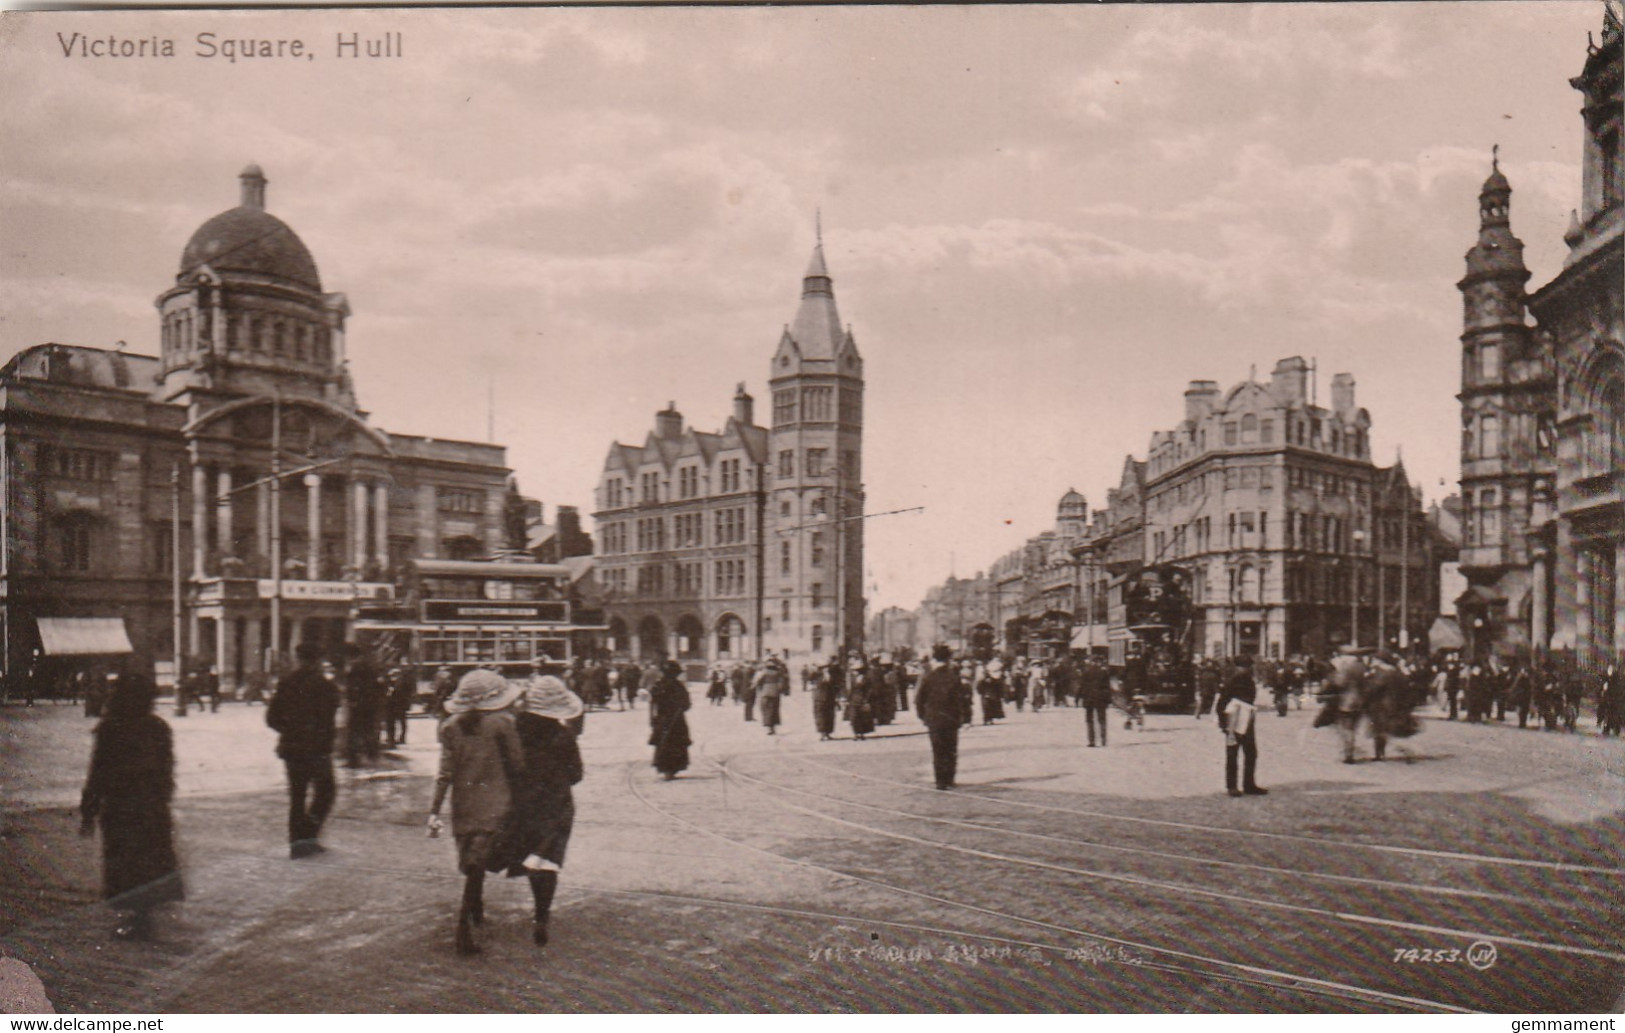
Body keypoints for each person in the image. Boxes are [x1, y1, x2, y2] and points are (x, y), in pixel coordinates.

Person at [427, 670, 525, 956]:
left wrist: (434, 810)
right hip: (496, 803)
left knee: (472, 860)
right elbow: (518, 764)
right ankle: (463, 929)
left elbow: (444, 774)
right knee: (480, 860)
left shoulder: (450, 727)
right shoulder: (504, 723)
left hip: (463, 805)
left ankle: (475, 908)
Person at [79, 672, 183, 941]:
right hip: (150, 806)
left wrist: (89, 809)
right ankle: (143, 916)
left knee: (125, 862)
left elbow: (98, 771)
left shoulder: (111, 727)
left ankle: (139, 919)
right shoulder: (158, 727)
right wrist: (161, 799)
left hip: (120, 806)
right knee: (148, 860)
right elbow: (167, 770)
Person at [501, 674, 584, 948]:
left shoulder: (515, 730)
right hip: (555, 805)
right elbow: (576, 775)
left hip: (523, 803)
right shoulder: (563, 735)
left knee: (525, 850)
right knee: (547, 861)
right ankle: (541, 915)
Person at [266, 643, 340, 859]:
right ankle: (308, 835)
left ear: (298, 658)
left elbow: (271, 718)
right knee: (326, 792)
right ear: (317, 659)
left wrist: (290, 731)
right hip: (317, 750)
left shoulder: (286, 683)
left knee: (297, 797)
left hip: (292, 749)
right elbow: (330, 718)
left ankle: (297, 844)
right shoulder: (325, 685)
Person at [915, 645, 968, 789]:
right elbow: (962, 700)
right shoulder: (954, 677)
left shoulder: (928, 677)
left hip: (934, 719)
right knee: (951, 750)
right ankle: (949, 780)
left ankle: (940, 781)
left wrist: (923, 716)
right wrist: (964, 718)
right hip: (951, 719)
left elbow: (919, 699)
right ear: (948, 659)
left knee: (937, 750)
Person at [1216, 654, 1266, 797]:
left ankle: (1249, 784)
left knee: (1251, 753)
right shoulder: (1232, 681)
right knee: (1233, 753)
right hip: (1234, 720)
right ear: (1238, 667)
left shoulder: (1248, 680)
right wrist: (1225, 724)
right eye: (1245, 667)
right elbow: (1222, 703)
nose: (1247, 669)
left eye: (1248, 667)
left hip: (1247, 719)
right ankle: (1232, 786)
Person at [648, 660, 692, 780]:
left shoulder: (658, 685)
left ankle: (663, 767)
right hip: (677, 720)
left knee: (662, 742)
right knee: (676, 743)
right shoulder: (679, 686)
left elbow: (653, 703)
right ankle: (672, 769)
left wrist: (652, 719)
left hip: (662, 719)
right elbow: (687, 704)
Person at [1081, 659, 1111, 747]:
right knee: (1102, 719)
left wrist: (1079, 698)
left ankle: (1091, 741)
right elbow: (1107, 687)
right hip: (1100, 698)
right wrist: (1108, 699)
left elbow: (1083, 686)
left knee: (1089, 719)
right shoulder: (1104, 673)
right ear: (1099, 663)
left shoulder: (1086, 672)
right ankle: (1103, 740)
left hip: (1089, 698)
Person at [384, 667, 414, 748]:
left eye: (394, 675)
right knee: (391, 723)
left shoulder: (403, 683)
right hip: (391, 706)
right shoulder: (389, 683)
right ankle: (391, 739)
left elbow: (406, 695)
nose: (392, 677)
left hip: (400, 706)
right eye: (391, 675)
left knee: (402, 722)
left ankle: (402, 738)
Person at [756, 658, 788, 735]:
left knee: (766, 710)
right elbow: (782, 683)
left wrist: (761, 689)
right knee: (774, 710)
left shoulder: (764, 672)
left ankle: (769, 728)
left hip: (765, 693)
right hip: (775, 693)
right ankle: (773, 727)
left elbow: (759, 682)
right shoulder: (778, 673)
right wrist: (778, 690)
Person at [812, 659, 840, 741]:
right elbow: (810, 677)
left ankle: (827, 733)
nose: (826, 669)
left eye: (827, 667)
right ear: (820, 669)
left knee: (830, 716)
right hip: (819, 698)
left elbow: (835, 686)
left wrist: (837, 697)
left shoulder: (831, 676)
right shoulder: (817, 675)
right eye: (824, 667)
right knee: (820, 716)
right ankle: (822, 733)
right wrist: (816, 670)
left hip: (830, 698)